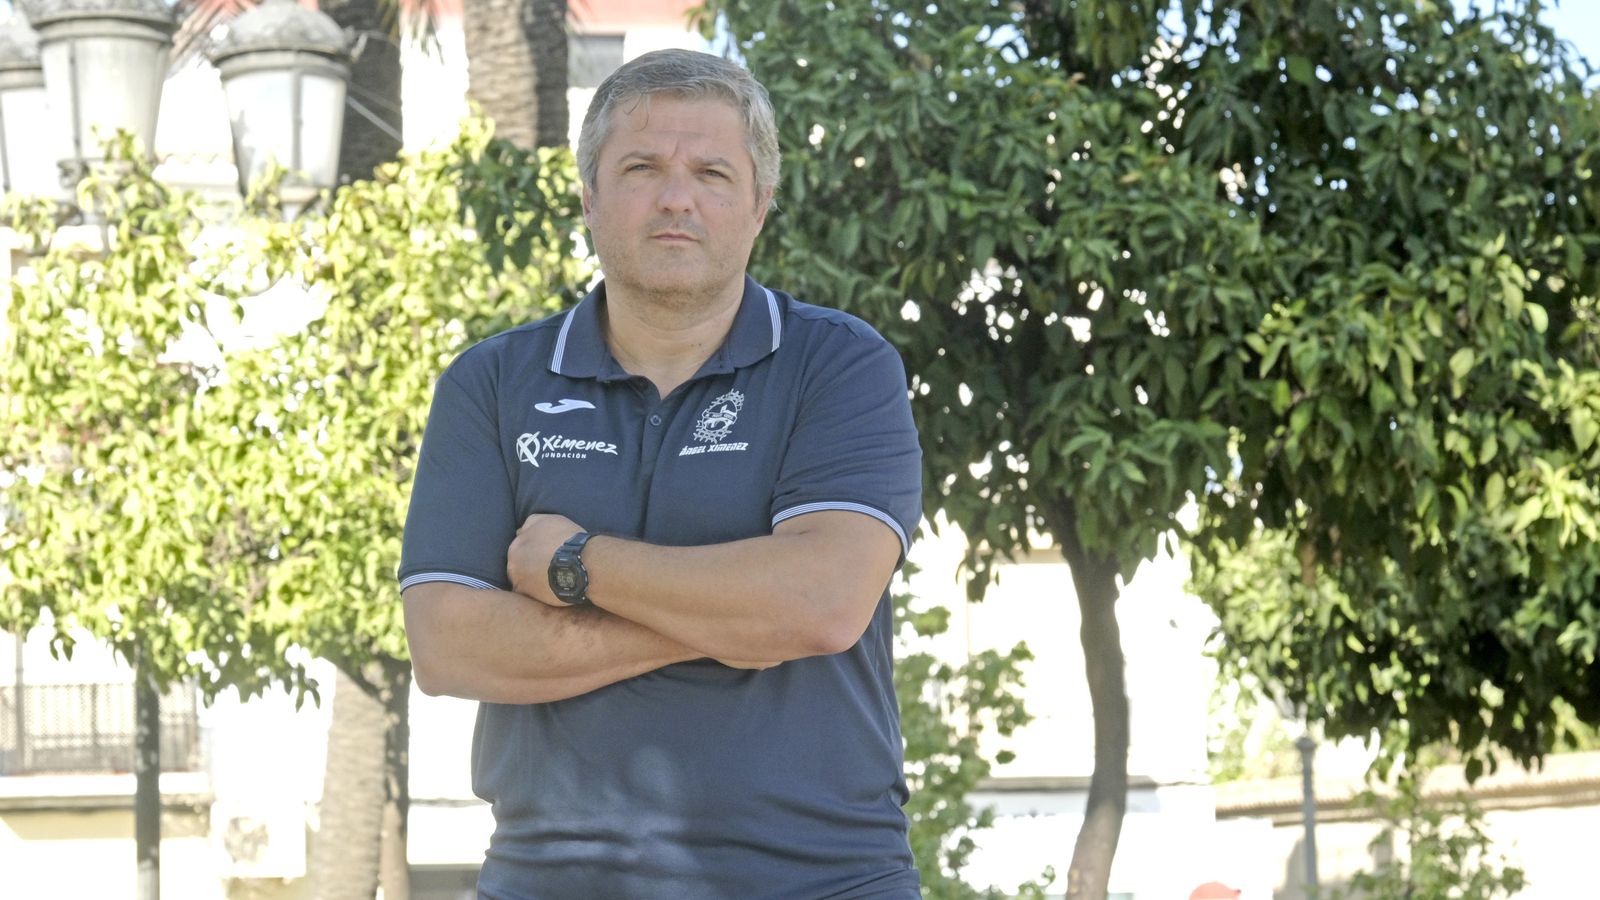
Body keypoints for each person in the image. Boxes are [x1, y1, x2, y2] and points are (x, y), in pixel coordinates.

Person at [398, 49, 924, 898]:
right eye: (641, 167)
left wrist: (577, 566)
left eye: (713, 172)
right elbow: (448, 646)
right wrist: (744, 621)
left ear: (759, 205)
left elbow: (823, 604)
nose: (677, 196)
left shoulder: (840, 364)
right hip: (549, 878)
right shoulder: (492, 382)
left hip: (823, 879)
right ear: (589, 198)